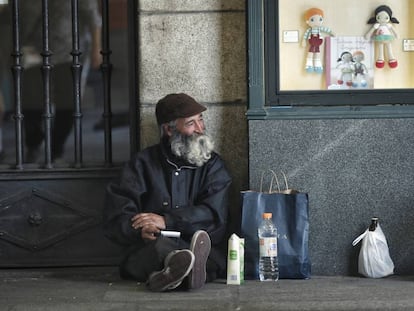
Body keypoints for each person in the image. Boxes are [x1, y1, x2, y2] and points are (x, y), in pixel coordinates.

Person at [103, 93, 232, 292]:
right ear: (169, 129)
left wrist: (167, 221)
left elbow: (215, 216)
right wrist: (140, 231)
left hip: (196, 244)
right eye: (191, 123)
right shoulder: (142, 164)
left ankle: (168, 275)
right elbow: (117, 215)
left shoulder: (213, 166)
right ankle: (181, 269)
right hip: (152, 248)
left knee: (205, 255)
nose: (200, 129)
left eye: (200, 120)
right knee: (159, 249)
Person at [19, 1, 101, 162]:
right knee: (31, 103)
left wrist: (96, 49)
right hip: (33, 51)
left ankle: (56, 149)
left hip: (69, 51)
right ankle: (34, 144)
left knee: (68, 103)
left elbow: (93, 18)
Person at [365, 5, 399, 69]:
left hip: (387, 38)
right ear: (376, 17)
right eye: (379, 17)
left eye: (386, 18)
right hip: (380, 38)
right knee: (381, 48)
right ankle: (380, 59)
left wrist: (396, 34)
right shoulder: (377, 25)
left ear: (389, 17)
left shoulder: (388, 25)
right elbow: (371, 30)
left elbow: (393, 30)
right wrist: (368, 35)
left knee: (389, 48)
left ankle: (391, 58)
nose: (382, 20)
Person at [302, 7, 334, 73]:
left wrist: (331, 32)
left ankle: (317, 66)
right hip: (312, 41)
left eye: (319, 19)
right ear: (308, 21)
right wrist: (303, 41)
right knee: (310, 52)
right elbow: (305, 35)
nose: (317, 22)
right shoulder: (309, 30)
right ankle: (309, 65)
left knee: (317, 52)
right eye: (313, 20)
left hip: (318, 42)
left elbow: (326, 30)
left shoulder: (320, 28)